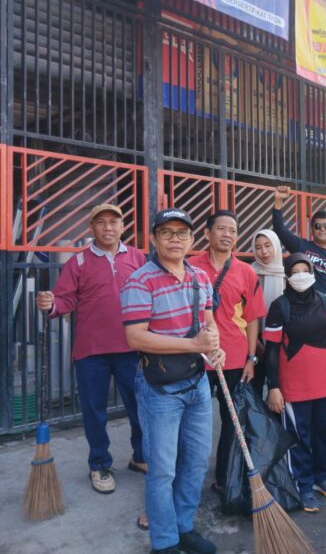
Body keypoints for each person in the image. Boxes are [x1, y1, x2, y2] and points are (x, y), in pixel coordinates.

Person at [122, 208, 223, 554]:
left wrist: (215, 347)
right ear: (153, 239)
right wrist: (192, 345)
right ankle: (163, 543)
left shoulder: (200, 279)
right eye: (167, 232)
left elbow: (209, 324)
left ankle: (184, 527)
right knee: (163, 469)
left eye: (182, 232)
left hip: (197, 383)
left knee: (196, 461)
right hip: (159, 388)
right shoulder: (140, 280)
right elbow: (135, 338)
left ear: (192, 239)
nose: (175, 238)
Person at [35, 203, 146, 495]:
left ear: (123, 227)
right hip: (91, 350)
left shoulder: (137, 257)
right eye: (101, 222)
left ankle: (141, 456)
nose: (108, 227)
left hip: (132, 347)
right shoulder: (78, 262)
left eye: (114, 222)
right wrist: (51, 305)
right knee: (94, 411)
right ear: (92, 228)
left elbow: (152, 295)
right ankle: (99, 464)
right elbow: (64, 301)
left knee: (141, 407)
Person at [263, 253, 326, 513]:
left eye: (305, 269)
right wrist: (274, 387)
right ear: (287, 277)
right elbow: (271, 350)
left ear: (312, 273)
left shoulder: (325, 302)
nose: (300, 275)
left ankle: (322, 476)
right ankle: (303, 484)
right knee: (299, 437)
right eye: (295, 271)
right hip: (293, 385)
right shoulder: (280, 306)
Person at [189, 211, 266, 497]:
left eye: (232, 230)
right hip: (194, 357)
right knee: (189, 423)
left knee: (232, 421)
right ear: (207, 234)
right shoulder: (189, 266)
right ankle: (187, 483)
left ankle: (225, 477)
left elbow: (253, 317)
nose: (227, 234)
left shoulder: (246, 271)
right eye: (220, 229)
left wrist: (251, 358)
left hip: (233, 358)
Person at [271, 186, 326, 308]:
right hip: (303, 308)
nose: (322, 229)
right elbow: (280, 229)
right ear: (312, 230)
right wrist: (278, 201)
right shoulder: (301, 246)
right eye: (317, 226)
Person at [251, 228, 286, 395]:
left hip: (282, 340)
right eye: (258, 247)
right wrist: (255, 343)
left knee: (280, 389)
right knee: (254, 390)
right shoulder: (249, 273)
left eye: (268, 245)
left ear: (276, 246)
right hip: (254, 340)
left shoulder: (287, 274)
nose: (263, 251)